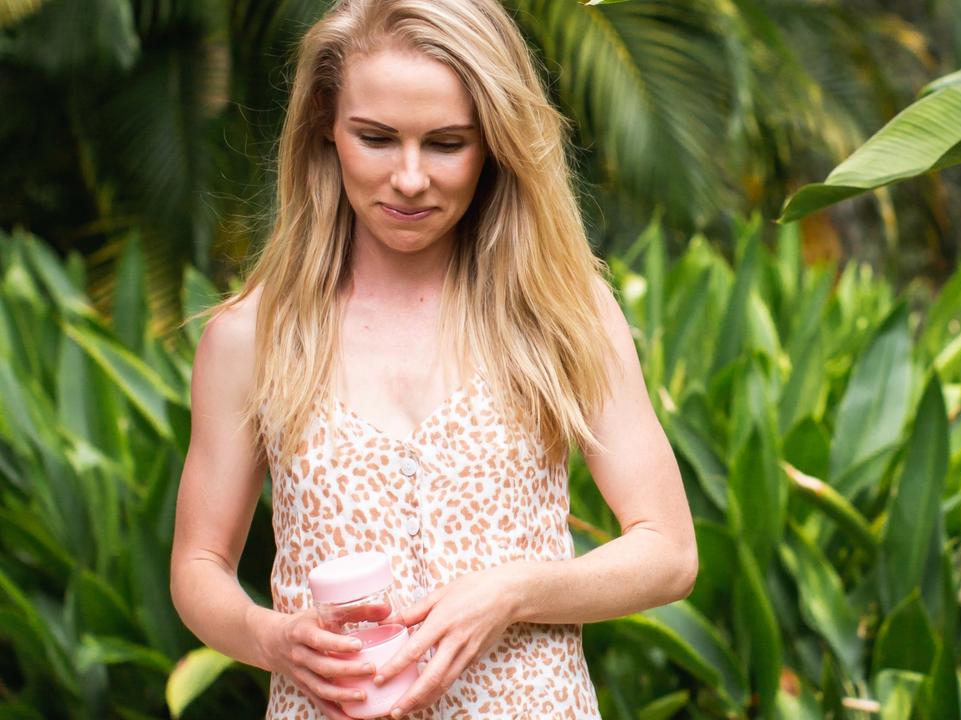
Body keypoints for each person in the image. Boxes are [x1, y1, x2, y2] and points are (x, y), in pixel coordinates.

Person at [168, 0, 698, 717]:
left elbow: (668, 552)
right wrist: (271, 637)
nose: (411, 178)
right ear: (326, 126)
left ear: (495, 144)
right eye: (376, 138)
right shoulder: (253, 336)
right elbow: (199, 567)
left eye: (447, 143)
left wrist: (512, 590)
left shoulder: (560, 313)